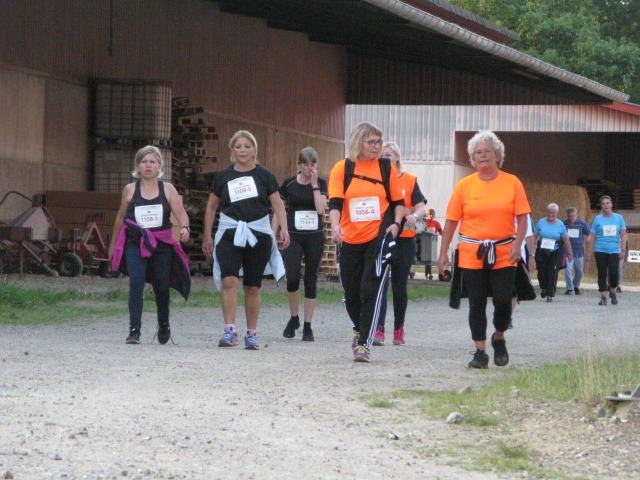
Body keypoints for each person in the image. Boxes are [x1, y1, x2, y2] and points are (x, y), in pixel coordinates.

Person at [437, 130, 530, 369]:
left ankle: (499, 336)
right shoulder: (464, 186)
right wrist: (443, 252)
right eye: (478, 152)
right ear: (472, 159)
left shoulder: (512, 182)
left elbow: (523, 218)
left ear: (498, 155)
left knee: (503, 300)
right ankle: (480, 352)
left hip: (505, 252)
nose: (483, 155)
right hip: (471, 252)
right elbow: (451, 222)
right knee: (476, 303)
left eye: (487, 151)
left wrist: (517, 244)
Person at [202, 130, 289, 350]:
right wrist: (207, 235)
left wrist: (284, 229)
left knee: (252, 286)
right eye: (238, 146)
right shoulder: (223, 176)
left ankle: (251, 333)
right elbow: (211, 206)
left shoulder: (265, 175)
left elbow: (277, 204)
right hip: (230, 232)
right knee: (229, 280)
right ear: (232, 150)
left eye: (247, 146)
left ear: (254, 150)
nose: (243, 151)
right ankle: (229, 330)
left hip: (258, 234)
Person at [328, 122, 405, 363]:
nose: (376, 146)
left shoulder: (385, 167)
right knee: (352, 294)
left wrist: (396, 224)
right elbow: (335, 203)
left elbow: (398, 202)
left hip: (377, 237)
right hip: (350, 238)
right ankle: (360, 327)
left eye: (378, 142)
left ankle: (364, 344)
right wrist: (335, 226)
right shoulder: (342, 168)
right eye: (371, 142)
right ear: (358, 142)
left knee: (369, 290)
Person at [109, 145, 192, 345]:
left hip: (161, 245)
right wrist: (113, 246)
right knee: (136, 281)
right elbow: (120, 218)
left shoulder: (168, 189)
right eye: (144, 162)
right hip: (135, 243)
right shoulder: (130, 190)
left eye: (152, 162)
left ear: (159, 166)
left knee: (161, 286)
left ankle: (163, 323)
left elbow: (181, 214)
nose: (148, 165)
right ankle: (134, 330)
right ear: (137, 166)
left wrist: (185, 228)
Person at [373, 142, 427, 346]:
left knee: (399, 286)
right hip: (383, 238)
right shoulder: (376, 179)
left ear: (397, 157)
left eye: (388, 155)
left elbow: (421, 207)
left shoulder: (409, 180)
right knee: (380, 284)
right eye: (382, 155)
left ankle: (398, 330)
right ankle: (378, 329)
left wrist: (415, 216)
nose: (385, 158)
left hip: (404, 240)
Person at [272, 147, 328, 342]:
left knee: (311, 278)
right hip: (294, 236)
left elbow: (321, 209)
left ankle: (308, 325)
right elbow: (279, 209)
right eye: (305, 164)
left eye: (313, 164)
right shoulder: (289, 184)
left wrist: (314, 185)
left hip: (314, 236)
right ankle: (294, 317)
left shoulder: (321, 183)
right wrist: (272, 232)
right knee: (293, 277)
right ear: (299, 164)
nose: (309, 168)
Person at [586, 195, 627, 306]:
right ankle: (603, 297)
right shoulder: (598, 219)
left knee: (614, 273)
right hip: (600, 250)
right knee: (602, 273)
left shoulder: (619, 218)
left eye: (608, 203)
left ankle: (612, 292)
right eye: (603, 204)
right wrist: (589, 252)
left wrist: (623, 250)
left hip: (614, 250)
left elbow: (623, 235)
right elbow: (592, 236)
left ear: (611, 204)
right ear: (601, 206)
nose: (606, 205)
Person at [532, 203, 573, 303]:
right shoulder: (541, 222)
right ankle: (543, 287)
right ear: (546, 212)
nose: (551, 215)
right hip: (542, 250)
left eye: (553, 213)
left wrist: (570, 253)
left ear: (557, 213)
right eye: (549, 212)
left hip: (555, 251)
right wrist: (531, 248)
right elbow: (534, 236)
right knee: (541, 272)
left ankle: (550, 294)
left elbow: (566, 240)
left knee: (552, 272)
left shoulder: (560, 224)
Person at [509, 213, 536, 329]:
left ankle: (508, 317)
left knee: (514, 289)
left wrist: (531, 256)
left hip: (517, 258)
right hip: (499, 256)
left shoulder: (523, 215)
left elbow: (529, 236)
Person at [562, 207, 590, 295]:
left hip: (579, 251)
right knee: (568, 270)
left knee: (579, 271)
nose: (571, 218)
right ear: (567, 215)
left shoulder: (582, 224)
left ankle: (575, 286)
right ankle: (570, 288)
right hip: (567, 251)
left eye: (573, 216)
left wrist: (589, 238)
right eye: (570, 216)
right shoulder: (563, 224)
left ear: (576, 215)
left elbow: (589, 232)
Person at [424, 209, 442, 280]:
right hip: (425, 242)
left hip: (433, 243)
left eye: (432, 214)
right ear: (427, 215)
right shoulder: (425, 222)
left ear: (434, 215)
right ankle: (428, 273)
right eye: (430, 214)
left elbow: (441, 231)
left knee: (431, 257)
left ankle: (429, 273)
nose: (431, 216)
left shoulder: (436, 223)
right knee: (426, 258)